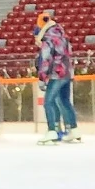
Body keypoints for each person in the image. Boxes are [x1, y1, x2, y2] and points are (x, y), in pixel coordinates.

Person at [34, 12, 79, 144]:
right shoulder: (62, 36)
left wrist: (42, 78)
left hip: (56, 73)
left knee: (48, 102)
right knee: (64, 101)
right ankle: (74, 131)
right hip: (67, 73)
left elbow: (46, 59)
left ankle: (52, 131)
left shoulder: (48, 39)